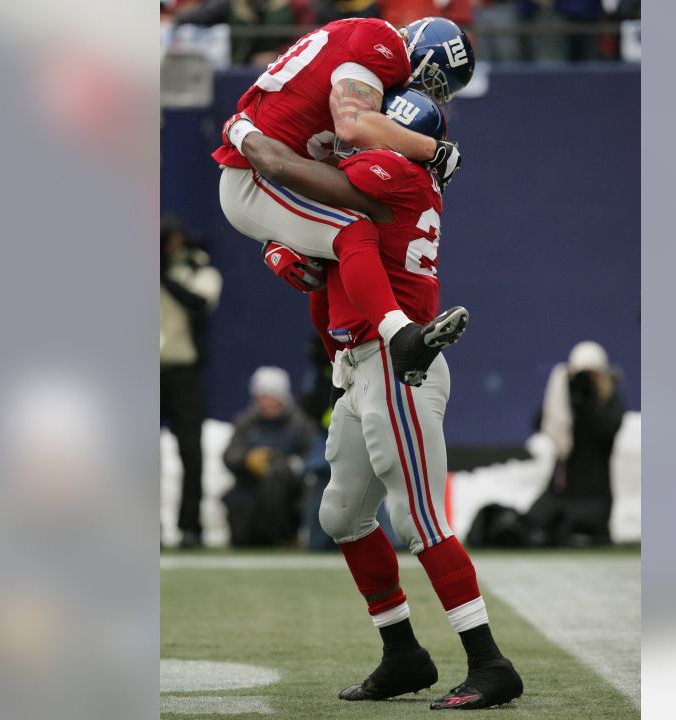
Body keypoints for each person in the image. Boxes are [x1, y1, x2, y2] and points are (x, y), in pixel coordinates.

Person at [237, 88, 524, 710]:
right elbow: (321, 234)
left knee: (418, 518)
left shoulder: (391, 169)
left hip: (399, 365)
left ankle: (490, 663)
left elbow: (301, 190)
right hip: (358, 363)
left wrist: (254, 155)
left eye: (366, 125)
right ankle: (403, 654)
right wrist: (284, 251)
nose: (350, 130)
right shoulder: (381, 179)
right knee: (341, 516)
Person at [214, 17, 474, 388]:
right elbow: (352, 126)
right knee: (352, 230)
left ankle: (338, 369)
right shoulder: (384, 47)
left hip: (271, 164)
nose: (427, 93)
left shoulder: (359, 40)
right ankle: (399, 335)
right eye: (433, 81)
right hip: (259, 170)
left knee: (330, 259)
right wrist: (433, 150)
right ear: (422, 53)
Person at [160, 215, 223, 548]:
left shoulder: (199, 270)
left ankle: (190, 527)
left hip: (184, 371)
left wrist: (164, 276)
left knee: (190, 450)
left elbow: (200, 303)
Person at [527, 340, 626, 546]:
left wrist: (587, 401)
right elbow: (541, 423)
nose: (586, 381)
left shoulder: (611, 403)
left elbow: (606, 431)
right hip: (561, 493)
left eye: (592, 375)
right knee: (533, 524)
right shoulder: (566, 401)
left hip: (593, 499)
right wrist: (565, 396)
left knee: (575, 529)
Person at [222, 366, 319, 546]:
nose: (267, 402)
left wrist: (282, 465)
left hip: (288, 490)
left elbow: (311, 457)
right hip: (250, 486)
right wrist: (248, 460)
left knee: (276, 480)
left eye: (273, 396)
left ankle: (286, 536)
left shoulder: (300, 424)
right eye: (263, 397)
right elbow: (230, 455)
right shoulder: (245, 422)